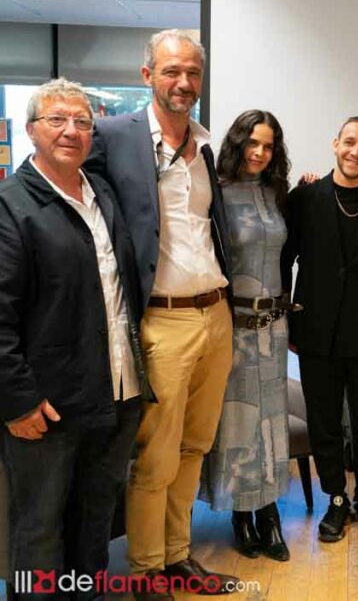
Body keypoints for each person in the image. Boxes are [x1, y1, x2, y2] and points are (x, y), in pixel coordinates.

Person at [86, 29, 236, 599]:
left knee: (196, 446)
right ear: (147, 75)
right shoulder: (112, 135)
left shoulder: (204, 144)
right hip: (162, 320)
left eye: (192, 73)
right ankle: (146, 569)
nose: (184, 82)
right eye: (172, 71)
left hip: (215, 315)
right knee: (156, 451)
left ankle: (178, 557)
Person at [0, 79, 148, 601]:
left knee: (94, 522)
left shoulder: (100, 193)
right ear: (31, 129)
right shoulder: (11, 207)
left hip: (115, 394)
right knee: (39, 530)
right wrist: (17, 401)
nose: (71, 131)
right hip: (46, 405)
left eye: (83, 122)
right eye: (57, 120)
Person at [282, 116, 358, 542]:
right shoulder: (305, 198)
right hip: (316, 329)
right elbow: (284, 258)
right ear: (335, 144)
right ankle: (334, 498)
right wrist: (284, 312)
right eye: (350, 142)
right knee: (324, 421)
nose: (356, 151)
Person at [198, 110, 292, 562]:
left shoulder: (278, 193)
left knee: (271, 422)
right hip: (232, 325)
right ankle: (239, 513)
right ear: (237, 143)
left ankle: (269, 513)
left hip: (274, 327)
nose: (259, 152)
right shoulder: (214, 193)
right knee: (237, 421)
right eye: (252, 143)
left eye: (268, 145)